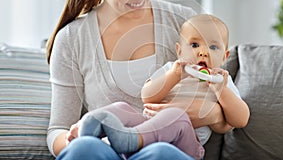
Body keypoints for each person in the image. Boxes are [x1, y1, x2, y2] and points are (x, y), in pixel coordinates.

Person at [46, 0, 235, 159]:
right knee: (84, 148)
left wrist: (211, 113)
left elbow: (229, 112)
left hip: (170, 148)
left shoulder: (184, 22)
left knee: (160, 152)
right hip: (108, 151)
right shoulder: (72, 38)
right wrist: (73, 138)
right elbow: (58, 128)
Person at [77, 14, 250, 160]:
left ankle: (129, 140)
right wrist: (173, 76)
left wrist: (221, 91)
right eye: (195, 45)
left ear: (225, 56)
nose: (203, 52)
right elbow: (148, 96)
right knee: (122, 108)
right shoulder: (172, 70)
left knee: (176, 115)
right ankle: (93, 125)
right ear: (180, 51)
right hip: (147, 127)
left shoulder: (221, 81)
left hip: (186, 145)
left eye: (213, 47)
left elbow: (241, 119)